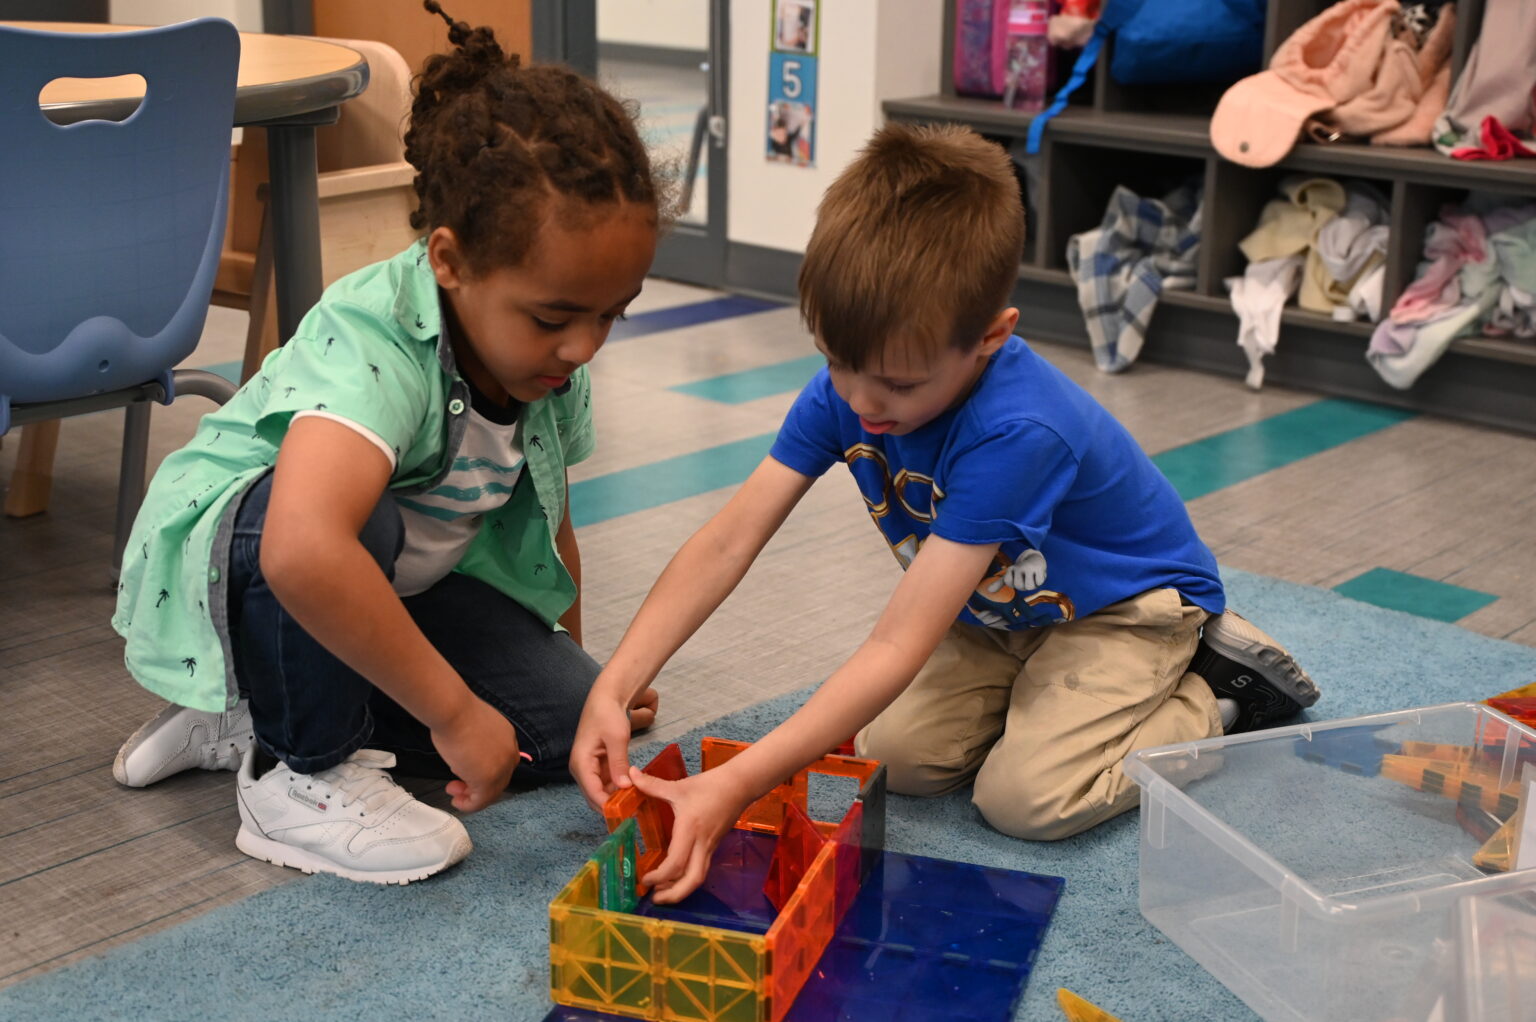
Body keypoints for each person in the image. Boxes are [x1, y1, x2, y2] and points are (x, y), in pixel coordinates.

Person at [571, 123, 1319, 903]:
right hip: (999, 612)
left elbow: (896, 641)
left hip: (1125, 610)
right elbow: (729, 541)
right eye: (836, 362)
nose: (860, 402)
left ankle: (1218, 692)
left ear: (990, 339)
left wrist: (739, 785)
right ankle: (1047, 695)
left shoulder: (1017, 433)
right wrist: (614, 683)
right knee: (897, 757)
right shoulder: (856, 387)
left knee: (1024, 801)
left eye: (896, 384)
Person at [109, 1, 662, 885]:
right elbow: (300, 548)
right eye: (556, 316)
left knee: (558, 728)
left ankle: (260, 707)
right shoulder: (376, 339)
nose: (585, 347)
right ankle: (299, 773)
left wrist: (584, 675)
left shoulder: (549, 367)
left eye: (611, 314)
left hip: (397, 584)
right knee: (350, 526)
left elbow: (549, 518)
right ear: (448, 261)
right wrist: (451, 713)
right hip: (252, 561)